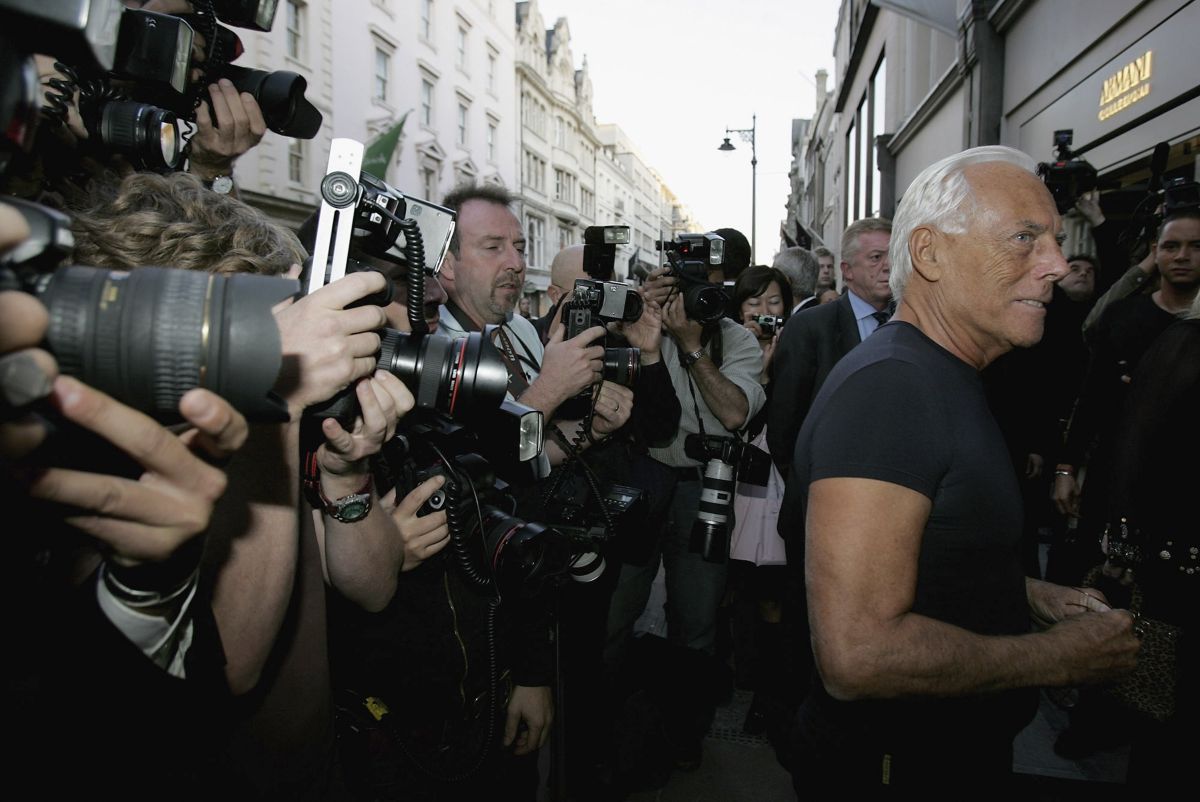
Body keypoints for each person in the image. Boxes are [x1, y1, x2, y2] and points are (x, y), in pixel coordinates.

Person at [780, 145, 1140, 794]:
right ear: (930, 253)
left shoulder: (938, 373)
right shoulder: (893, 388)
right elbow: (856, 655)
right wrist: (1052, 657)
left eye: (1055, 241)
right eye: (1025, 239)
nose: (1056, 265)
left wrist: (1021, 593)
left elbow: (924, 550)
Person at [605, 252, 765, 769]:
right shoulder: (639, 324)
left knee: (696, 619)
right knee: (616, 609)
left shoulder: (734, 339)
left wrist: (694, 348)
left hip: (704, 486)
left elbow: (735, 412)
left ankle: (683, 734)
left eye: (707, 288)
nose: (694, 299)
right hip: (643, 478)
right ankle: (607, 726)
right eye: (682, 286)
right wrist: (639, 315)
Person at [767, 217, 893, 477]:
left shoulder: (913, 323)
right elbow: (785, 423)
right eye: (876, 257)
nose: (888, 266)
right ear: (847, 271)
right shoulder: (810, 328)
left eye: (893, 256)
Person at [724, 266, 793, 741]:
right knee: (734, 583)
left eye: (773, 302)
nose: (764, 313)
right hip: (734, 483)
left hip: (779, 484)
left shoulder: (800, 348)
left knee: (773, 585)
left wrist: (773, 365)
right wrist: (755, 366)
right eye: (754, 303)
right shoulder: (725, 347)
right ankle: (738, 672)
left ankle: (770, 688)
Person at [772, 247, 821, 313]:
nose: (771, 282)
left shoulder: (797, 321)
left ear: (787, 281)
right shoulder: (823, 313)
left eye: (775, 277)